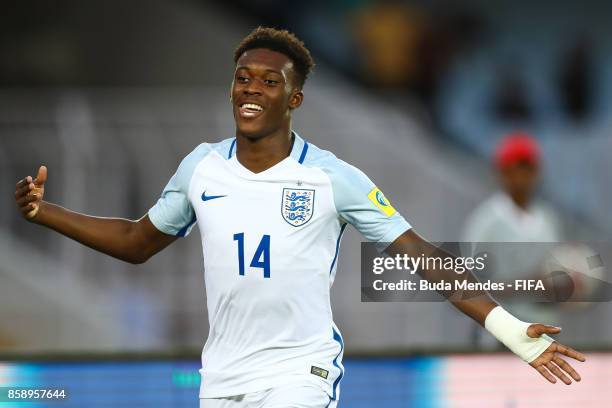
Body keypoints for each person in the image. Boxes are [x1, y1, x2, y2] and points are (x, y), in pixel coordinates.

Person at [14, 27, 585, 408]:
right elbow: (138, 241)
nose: (251, 90)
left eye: (270, 81)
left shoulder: (334, 178)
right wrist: (47, 212)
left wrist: (509, 328)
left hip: (300, 373)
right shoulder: (202, 168)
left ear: (295, 99)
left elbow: (424, 259)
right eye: (243, 78)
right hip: (221, 378)